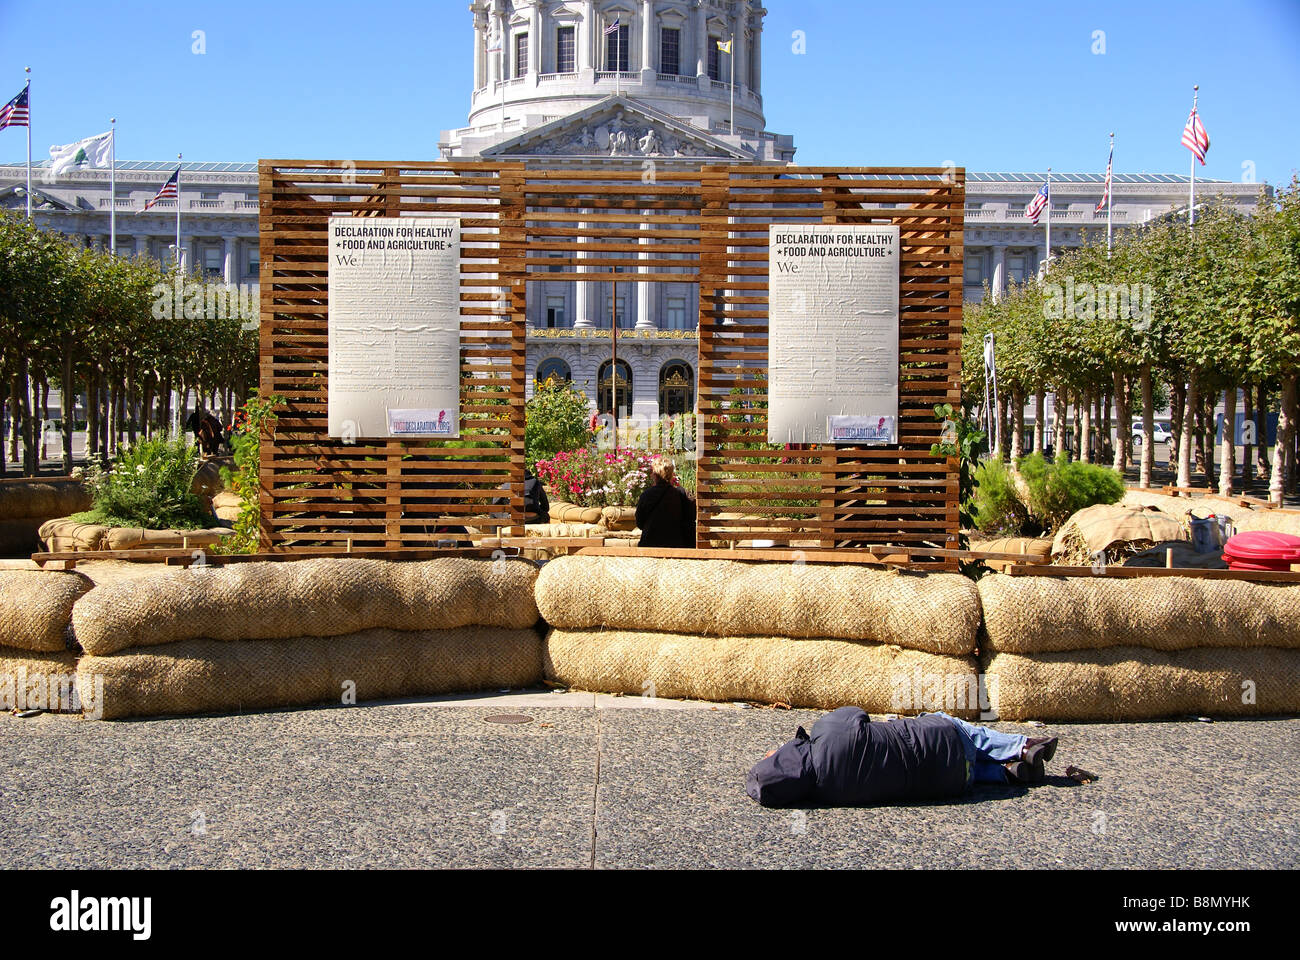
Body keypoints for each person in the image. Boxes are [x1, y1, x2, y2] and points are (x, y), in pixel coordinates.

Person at [746, 706, 1060, 808]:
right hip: (946, 742)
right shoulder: (827, 730)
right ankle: (1023, 746)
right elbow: (858, 713)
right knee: (944, 723)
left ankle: (1008, 773)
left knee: (956, 767)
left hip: (951, 784)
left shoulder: (829, 794)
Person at [635, 456, 695, 548]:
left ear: (654, 475)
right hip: (676, 544)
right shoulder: (681, 494)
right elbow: (691, 517)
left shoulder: (646, 495)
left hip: (650, 543)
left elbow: (639, 522)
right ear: (671, 474)